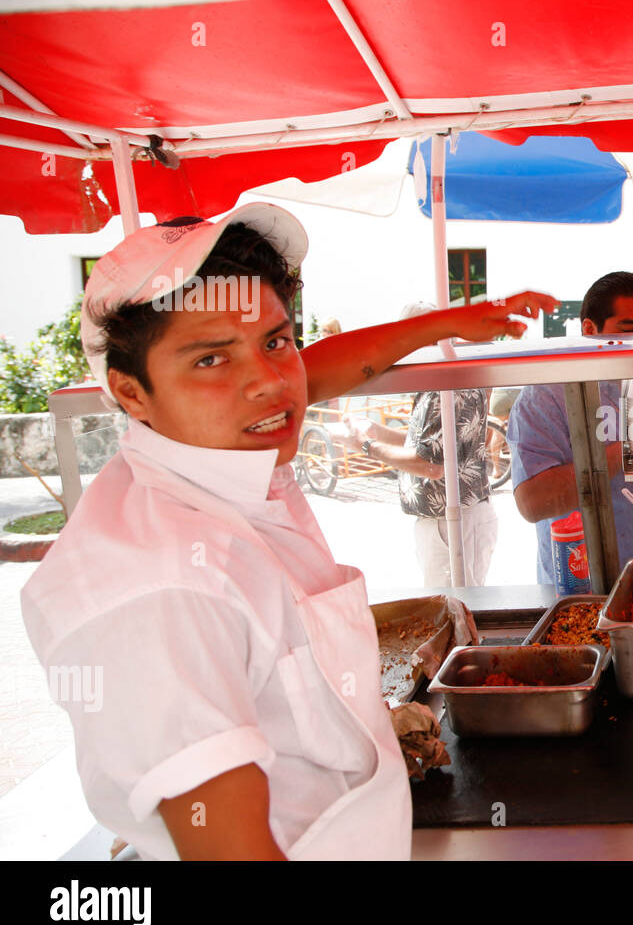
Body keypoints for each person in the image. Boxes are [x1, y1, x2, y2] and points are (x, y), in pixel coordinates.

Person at [19, 205, 553, 860]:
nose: (270, 384)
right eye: (211, 357)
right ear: (131, 395)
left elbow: (316, 369)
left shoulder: (211, 452)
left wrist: (444, 324)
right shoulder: (163, 586)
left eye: (275, 340)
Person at [508, 271, 633, 585]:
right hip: (585, 584)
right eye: (629, 330)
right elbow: (532, 503)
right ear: (590, 329)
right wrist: (632, 444)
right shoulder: (547, 396)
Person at [338, 308, 498, 588]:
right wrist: (375, 431)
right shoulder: (444, 376)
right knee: (461, 608)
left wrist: (365, 445)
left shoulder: (444, 386)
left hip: (451, 521)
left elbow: (429, 465)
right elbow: (428, 444)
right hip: (452, 519)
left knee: (458, 612)